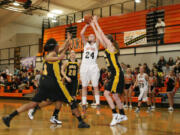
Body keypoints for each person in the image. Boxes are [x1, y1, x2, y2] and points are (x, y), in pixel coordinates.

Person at [2, 34, 89, 128]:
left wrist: (68, 40)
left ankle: (9, 116)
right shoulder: (52, 55)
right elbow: (52, 57)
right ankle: (80, 122)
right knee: (71, 101)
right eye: (57, 45)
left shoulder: (53, 53)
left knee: (34, 103)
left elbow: (62, 49)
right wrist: (62, 52)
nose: (58, 46)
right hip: (54, 83)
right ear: (54, 47)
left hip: (44, 82)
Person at [91, 16, 127, 126]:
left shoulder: (111, 46)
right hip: (115, 74)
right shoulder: (107, 47)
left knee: (106, 93)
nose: (103, 40)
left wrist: (96, 22)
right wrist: (92, 24)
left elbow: (101, 33)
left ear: (109, 40)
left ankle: (115, 115)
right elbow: (99, 35)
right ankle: (122, 114)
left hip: (116, 74)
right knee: (115, 96)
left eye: (106, 39)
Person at [80, 23, 100, 115]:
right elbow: (81, 34)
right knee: (84, 87)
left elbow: (98, 34)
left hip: (93, 66)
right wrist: (87, 25)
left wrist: (94, 25)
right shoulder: (85, 44)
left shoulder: (96, 45)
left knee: (95, 86)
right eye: (90, 36)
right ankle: (84, 106)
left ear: (95, 38)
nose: (91, 36)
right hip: (84, 66)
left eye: (93, 36)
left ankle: (98, 105)